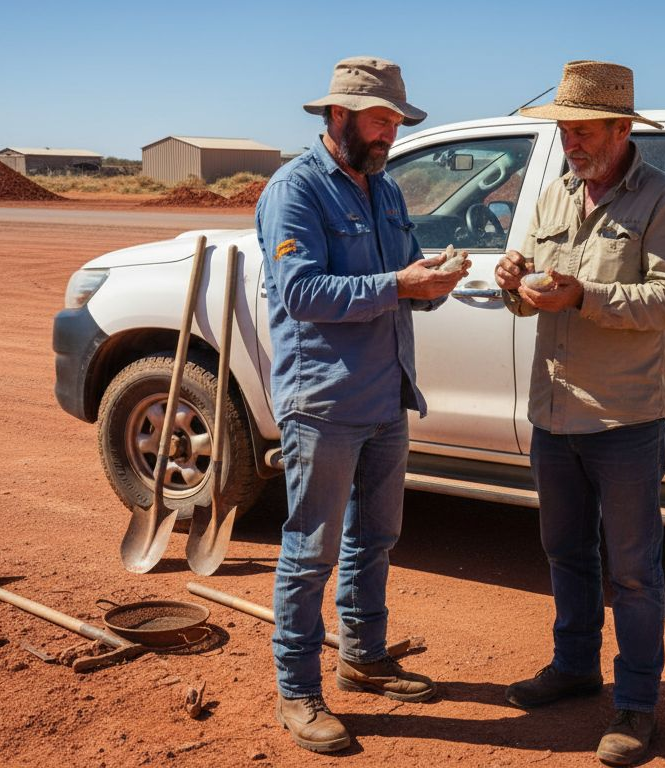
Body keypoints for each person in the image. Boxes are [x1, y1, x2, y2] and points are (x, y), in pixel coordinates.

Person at [254, 56, 468, 754]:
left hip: (386, 392)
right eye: (380, 121)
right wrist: (399, 284)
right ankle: (298, 690)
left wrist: (434, 282)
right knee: (310, 548)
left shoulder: (386, 190)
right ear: (338, 115)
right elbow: (303, 294)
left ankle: (363, 656)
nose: (390, 135)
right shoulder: (296, 191)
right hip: (322, 399)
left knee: (374, 537)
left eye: (397, 123)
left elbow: (403, 283)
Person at [494, 60, 665, 766]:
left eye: (582, 131)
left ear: (620, 128)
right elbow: (530, 297)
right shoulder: (554, 195)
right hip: (554, 416)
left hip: (626, 423)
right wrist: (511, 284)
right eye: (563, 131)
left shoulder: (664, 201)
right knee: (565, 554)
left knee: (634, 571)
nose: (570, 143)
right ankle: (575, 667)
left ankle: (637, 704)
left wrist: (585, 296)